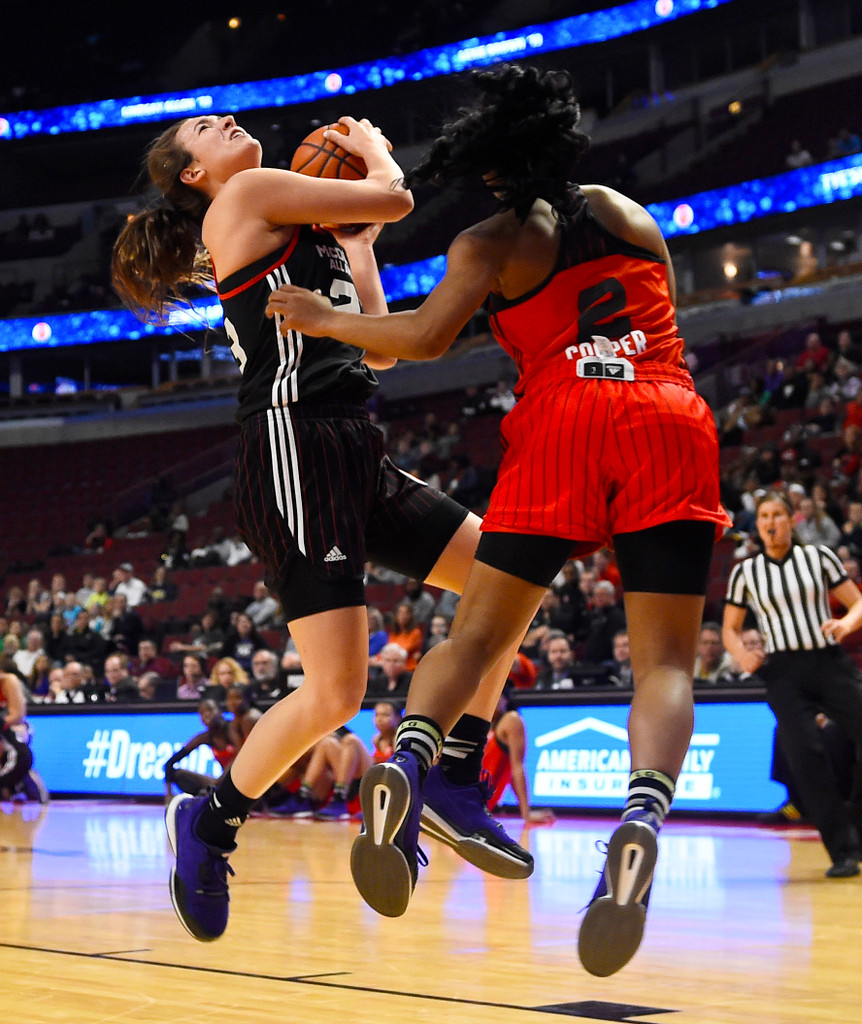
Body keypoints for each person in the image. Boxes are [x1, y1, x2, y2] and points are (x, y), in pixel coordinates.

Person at [268, 64, 730, 972]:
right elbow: (671, 321)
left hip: (562, 418)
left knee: (477, 640)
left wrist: (325, 320)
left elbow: (423, 338)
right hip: (667, 415)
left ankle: (407, 764)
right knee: (667, 661)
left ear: (490, 168)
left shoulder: (490, 241)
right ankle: (640, 815)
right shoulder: (629, 213)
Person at [113, 108, 529, 947]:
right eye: (203, 126)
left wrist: (362, 245)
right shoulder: (246, 196)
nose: (223, 121)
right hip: (294, 442)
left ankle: (451, 778)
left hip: (351, 440)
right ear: (192, 174)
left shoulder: (303, 223)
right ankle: (211, 821)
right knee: (338, 691)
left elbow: (379, 349)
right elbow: (396, 198)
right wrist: (379, 157)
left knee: (506, 576)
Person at [723, 490, 862, 879]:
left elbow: (857, 603)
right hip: (783, 671)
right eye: (763, 516)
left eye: (777, 515)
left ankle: (857, 821)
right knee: (804, 757)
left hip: (829, 659)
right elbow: (730, 629)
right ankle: (843, 850)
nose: (769, 522)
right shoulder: (745, 572)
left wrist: (845, 625)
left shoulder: (818, 557)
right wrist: (741, 655)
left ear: (791, 520)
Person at [479, 688, 555, 824]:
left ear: (506, 699)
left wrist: (526, 813)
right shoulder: (483, 724)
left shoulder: (511, 720)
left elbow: (516, 768)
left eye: (496, 695)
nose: (491, 699)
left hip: (473, 802)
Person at [164, 699, 237, 798]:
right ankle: (205, 799)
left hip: (243, 780)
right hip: (224, 784)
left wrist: (219, 780)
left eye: (210, 710)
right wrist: (168, 794)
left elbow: (241, 756)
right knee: (179, 775)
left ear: (220, 712)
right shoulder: (204, 737)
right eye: (202, 712)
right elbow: (170, 763)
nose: (206, 714)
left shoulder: (232, 728)